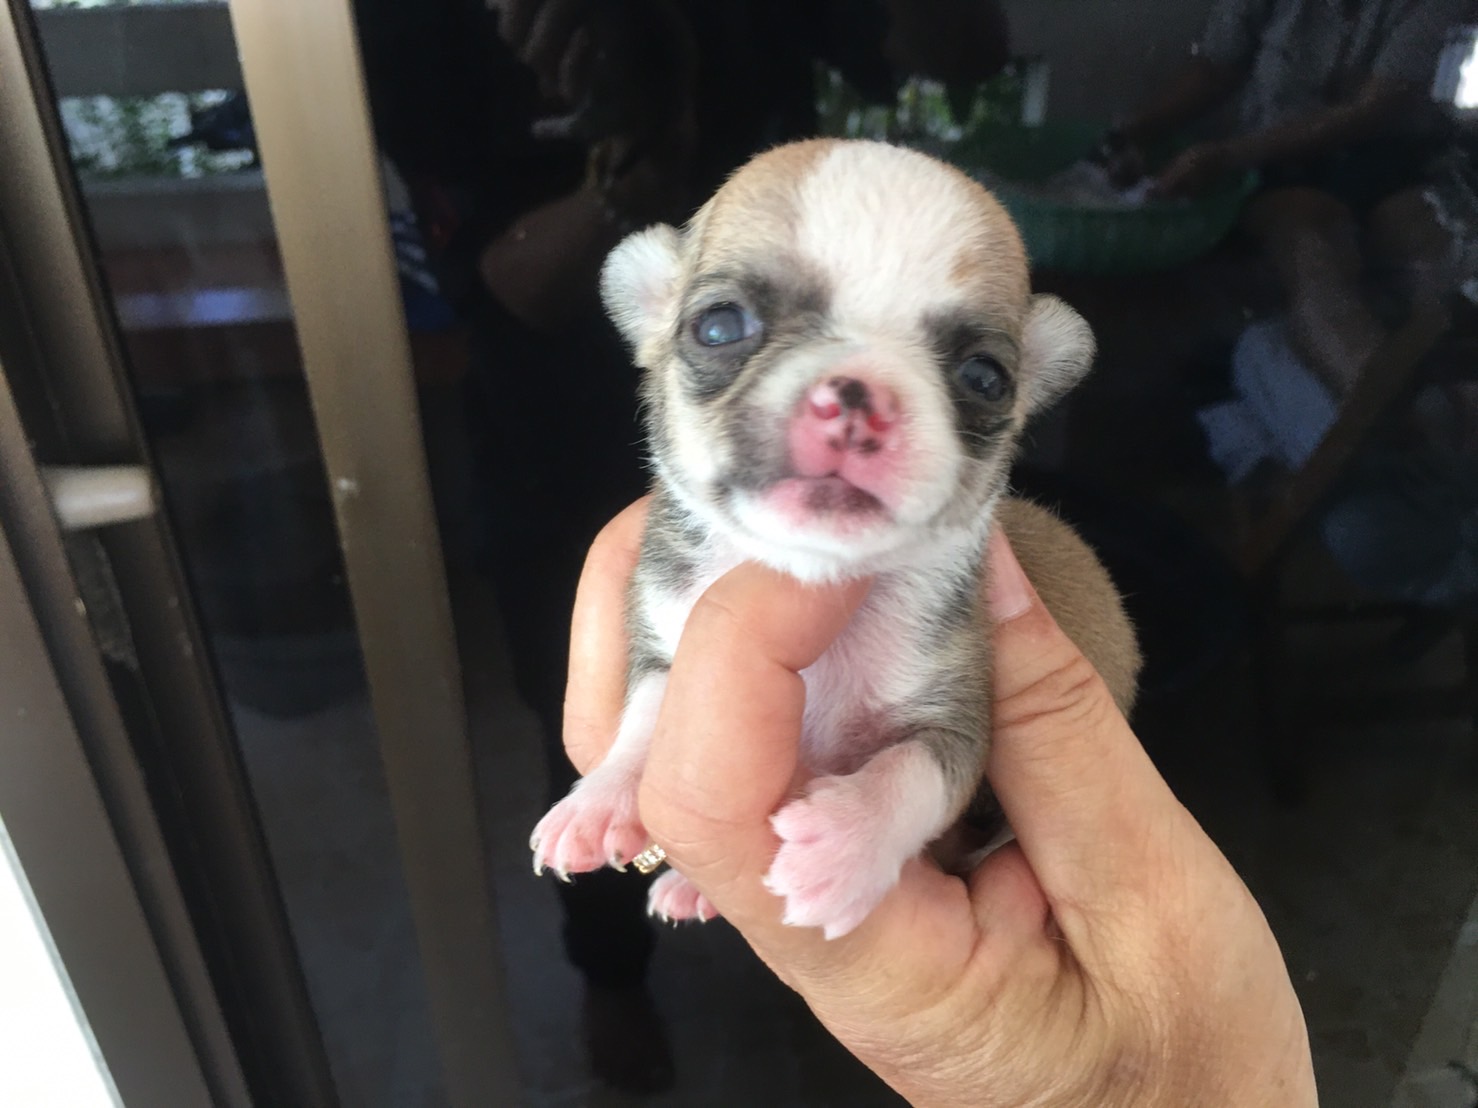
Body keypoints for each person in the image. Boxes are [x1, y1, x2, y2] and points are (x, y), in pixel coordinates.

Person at [563, 497, 1320, 1106]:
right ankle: (634, 943)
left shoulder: (947, 572)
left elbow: (944, 743)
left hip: (990, 826)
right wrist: (631, 774)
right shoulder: (682, 545)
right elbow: (664, 671)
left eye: (976, 378)